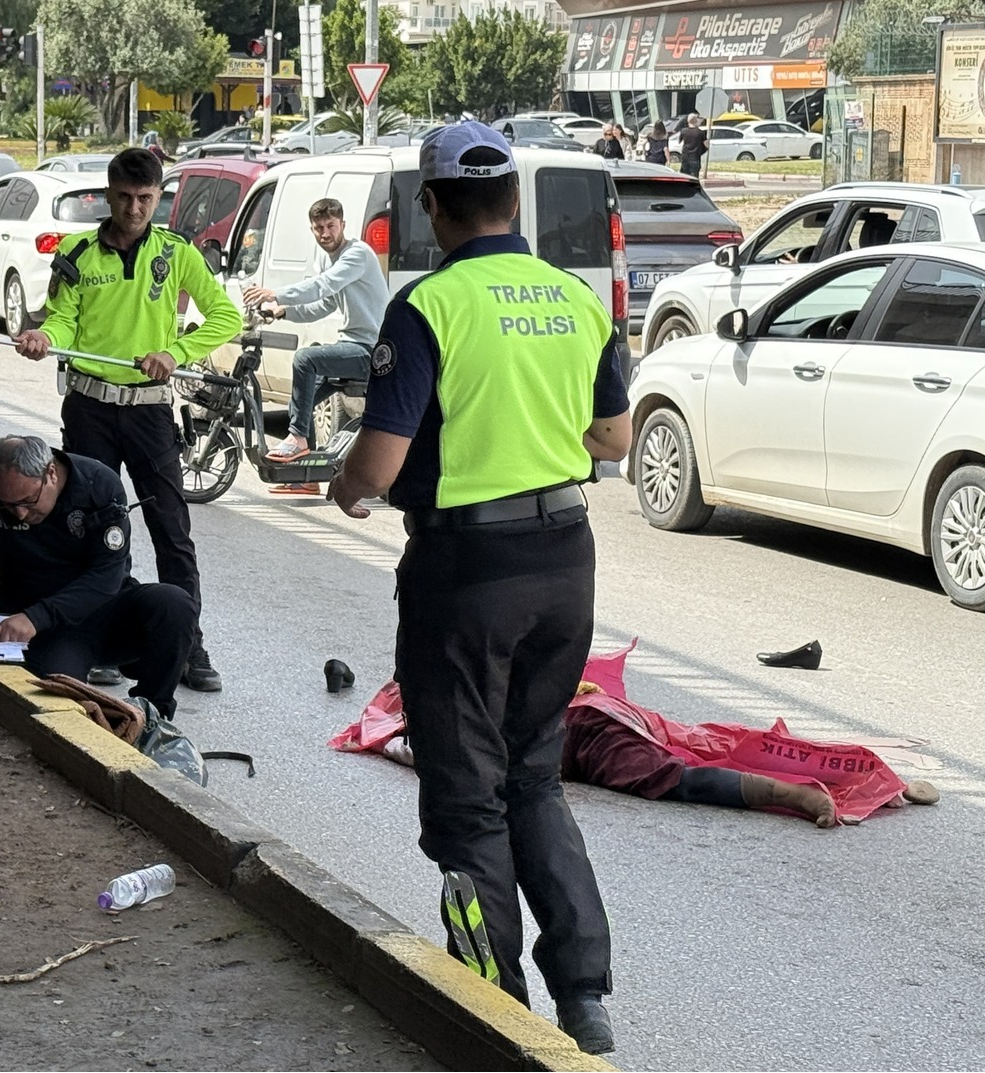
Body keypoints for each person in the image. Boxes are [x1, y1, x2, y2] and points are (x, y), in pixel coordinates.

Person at [327, 122, 633, 1055]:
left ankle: (492, 1007)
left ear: (432, 205)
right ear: (514, 201)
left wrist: (344, 483)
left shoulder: (430, 305)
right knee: (534, 775)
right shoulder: (576, 298)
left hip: (466, 574)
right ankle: (583, 996)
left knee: (465, 800)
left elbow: (378, 466)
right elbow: (613, 439)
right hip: (565, 560)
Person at [14, 149, 242, 693]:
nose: (134, 208)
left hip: (149, 411)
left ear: (159, 197)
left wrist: (175, 352)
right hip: (89, 408)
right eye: (124, 197)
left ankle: (188, 644)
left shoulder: (177, 253)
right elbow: (65, 320)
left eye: (145, 198)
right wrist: (45, 337)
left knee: (171, 529)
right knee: (95, 529)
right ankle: (103, 640)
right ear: (108, 194)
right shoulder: (75, 252)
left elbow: (226, 316)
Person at [0, 435, 198, 718]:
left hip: (102, 606)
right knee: (58, 701)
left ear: (51, 473)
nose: (20, 514)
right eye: (9, 506)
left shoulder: (98, 484)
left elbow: (106, 577)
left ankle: (153, 713)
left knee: (174, 604)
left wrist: (36, 617)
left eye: (28, 501)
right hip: (45, 628)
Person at [242, 197, 392, 489]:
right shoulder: (327, 259)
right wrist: (283, 311)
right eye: (319, 228)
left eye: (330, 226)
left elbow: (323, 286)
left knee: (305, 358)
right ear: (312, 229)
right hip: (352, 344)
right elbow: (323, 304)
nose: (325, 233)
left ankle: (298, 439)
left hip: (371, 351)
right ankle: (305, 478)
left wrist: (275, 294)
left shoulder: (357, 254)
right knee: (302, 397)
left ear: (342, 225)